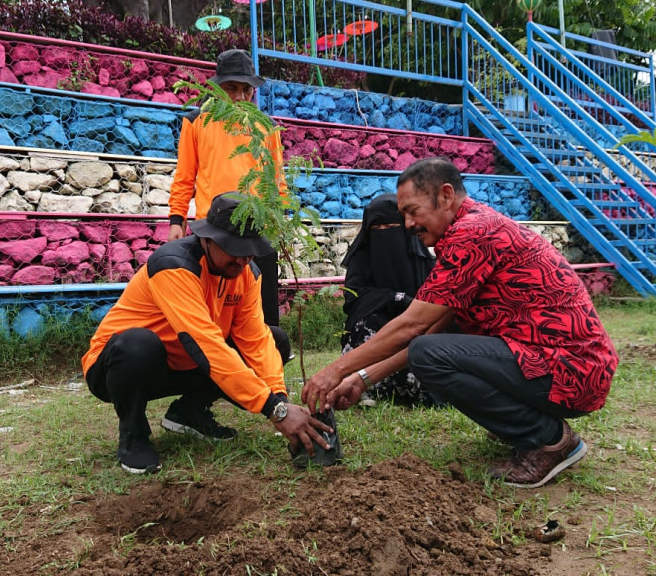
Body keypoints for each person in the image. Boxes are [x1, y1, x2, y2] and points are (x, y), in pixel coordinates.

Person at [303, 157, 618, 488]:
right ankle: (529, 428)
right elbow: (438, 328)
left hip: (573, 369)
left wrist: (334, 372)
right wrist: (363, 379)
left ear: (446, 196)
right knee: (431, 350)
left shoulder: (473, 233)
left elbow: (413, 328)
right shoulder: (469, 230)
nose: (407, 225)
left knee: (428, 354)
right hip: (568, 367)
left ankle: (549, 440)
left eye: (412, 211)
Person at [83, 193, 332, 474]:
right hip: (119, 368)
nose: (242, 260)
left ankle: (188, 413)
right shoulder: (174, 266)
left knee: (274, 339)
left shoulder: (247, 272)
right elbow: (204, 343)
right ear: (208, 239)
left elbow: (256, 341)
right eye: (234, 250)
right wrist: (274, 409)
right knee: (138, 344)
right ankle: (133, 435)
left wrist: (280, 399)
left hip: (186, 362)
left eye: (249, 251)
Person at [168, 48, 284, 326]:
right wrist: (176, 220)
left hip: (258, 227)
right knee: (211, 308)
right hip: (212, 229)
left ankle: (268, 361)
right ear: (218, 86)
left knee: (264, 311)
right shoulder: (196, 121)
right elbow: (185, 176)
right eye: (232, 88)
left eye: (247, 90)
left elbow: (277, 181)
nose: (241, 96)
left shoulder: (265, 126)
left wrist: (278, 222)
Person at [340, 193, 436, 407]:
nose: (384, 234)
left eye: (391, 226)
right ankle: (368, 387)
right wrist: (397, 298)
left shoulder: (420, 258)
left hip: (414, 325)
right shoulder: (362, 257)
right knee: (365, 326)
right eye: (377, 229)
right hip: (375, 321)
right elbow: (352, 298)